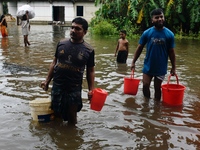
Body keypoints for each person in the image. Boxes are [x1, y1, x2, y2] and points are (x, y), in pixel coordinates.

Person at [40, 17, 95, 125]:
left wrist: (91, 90)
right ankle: (58, 138)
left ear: (85, 32)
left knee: (72, 118)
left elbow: (90, 71)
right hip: (58, 85)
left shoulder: (89, 50)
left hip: (73, 88)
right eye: (72, 27)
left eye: (78, 29)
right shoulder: (61, 43)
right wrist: (46, 81)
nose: (73, 31)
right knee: (56, 114)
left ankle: (72, 138)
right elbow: (54, 62)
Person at [131, 8, 176, 101]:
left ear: (164, 18)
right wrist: (133, 62)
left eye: (161, 17)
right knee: (145, 85)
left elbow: (171, 52)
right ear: (152, 20)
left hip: (161, 67)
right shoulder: (147, 33)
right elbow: (139, 48)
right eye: (156, 17)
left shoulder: (170, 34)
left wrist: (174, 67)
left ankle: (156, 107)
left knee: (157, 88)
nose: (160, 19)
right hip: (148, 65)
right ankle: (146, 104)